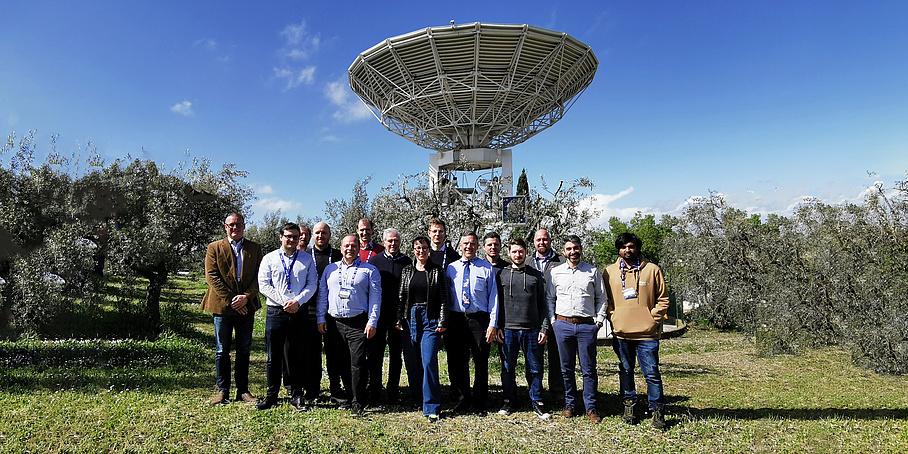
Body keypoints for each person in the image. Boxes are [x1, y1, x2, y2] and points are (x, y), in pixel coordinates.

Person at [605, 232, 670, 430]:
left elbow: (663, 299)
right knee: (626, 370)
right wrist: (613, 317)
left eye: (631, 246)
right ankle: (629, 405)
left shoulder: (652, 270)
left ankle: (657, 410)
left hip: (647, 334)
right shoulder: (609, 272)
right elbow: (604, 299)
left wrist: (653, 319)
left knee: (651, 372)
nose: (628, 250)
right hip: (622, 333)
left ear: (637, 248)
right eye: (624, 247)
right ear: (619, 249)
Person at [200, 213, 264, 405]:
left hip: (247, 306)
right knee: (222, 350)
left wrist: (246, 297)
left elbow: (259, 276)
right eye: (231, 225)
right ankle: (223, 391)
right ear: (225, 227)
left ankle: (243, 391)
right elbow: (211, 276)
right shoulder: (214, 247)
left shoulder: (255, 248)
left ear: (244, 226)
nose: (234, 227)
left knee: (244, 350)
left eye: (238, 224)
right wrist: (232, 300)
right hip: (222, 307)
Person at [317, 234, 382, 414]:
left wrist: (372, 321)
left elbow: (375, 299)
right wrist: (320, 318)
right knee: (341, 362)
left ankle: (358, 402)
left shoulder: (370, 271)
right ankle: (348, 395)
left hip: (358, 322)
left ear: (357, 248)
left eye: (353, 246)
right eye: (346, 245)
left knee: (358, 362)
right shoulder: (330, 270)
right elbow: (323, 296)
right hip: (334, 322)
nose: (350, 249)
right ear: (341, 247)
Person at [545, 234, 607, 423]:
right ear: (563, 252)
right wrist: (553, 321)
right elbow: (549, 298)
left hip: (587, 326)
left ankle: (591, 407)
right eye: (569, 249)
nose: (573, 252)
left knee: (588, 369)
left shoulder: (592, 271)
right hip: (562, 325)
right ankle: (570, 404)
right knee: (566, 369)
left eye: (576, 248)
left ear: (581, 249)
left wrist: (599, 322)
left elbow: (602, 298)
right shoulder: (555, 272)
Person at [256, 223, 318, 411]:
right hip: (276, 311)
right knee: (273, 355)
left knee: (298, 355)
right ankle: (271, 395)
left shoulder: (307, 259)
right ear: (280, 237)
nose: (291, 239)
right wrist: (285, 301)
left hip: (299, 312)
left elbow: (312, 283)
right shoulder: (269, 258)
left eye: (295, 236)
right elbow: (263, 285)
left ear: (300, 238)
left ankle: (297, 395)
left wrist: (297, 301)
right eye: (288, 236)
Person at [495, 238, 551, 419]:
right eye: (514, 252)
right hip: (508, 329)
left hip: (532, 330)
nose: (517, 255)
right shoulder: (501, 275)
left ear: (526, 252)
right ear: (509, 253)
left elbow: (543, 305)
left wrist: (544, 328)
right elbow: (496, 305)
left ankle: (537, 401)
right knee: (507, 367)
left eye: (520, 251)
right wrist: (497, 327)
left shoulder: (536, 275)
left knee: (534, 368)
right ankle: (508, 399)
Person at [444, 232, 499, 414]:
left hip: (479, 319)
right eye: (465, 243)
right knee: (459, 361)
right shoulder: (451, 268)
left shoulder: (486, 268)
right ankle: (463, 399)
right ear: (460, 245)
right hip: (457, 318)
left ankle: (479, 402)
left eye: (472, 244)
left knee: (480, 361)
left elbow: (494, 298)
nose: (469, 247)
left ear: (477, 246)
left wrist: (493, 324)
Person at [397, 236, 450, 422]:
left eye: (425, 248)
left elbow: (444, 298)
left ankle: (432, 406)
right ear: (413, 250)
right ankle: (417, 399)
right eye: (418, 248)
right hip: (410, 318)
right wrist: (398, 319)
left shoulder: (437, 271)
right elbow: (401, 297)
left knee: (428, 361)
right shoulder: (407, 271)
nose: (422, 251)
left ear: (429, 250)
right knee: (412, 362)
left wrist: (442, 321)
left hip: (430, 318)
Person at [366, 228, 412, 406]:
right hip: (378, 315)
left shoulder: (407, 262)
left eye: (396, 241)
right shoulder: (374, 261)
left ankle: (393, 391)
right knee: (375, 354)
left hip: (399, 317)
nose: (393, 244)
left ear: (400, 242)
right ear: (383, 242)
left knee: (395, 355)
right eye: (390, 241)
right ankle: (374, 392)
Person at [307, 222, 348, 404]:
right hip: (309, 311)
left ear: (330, 235)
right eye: (317, 232)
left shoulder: (339, 256)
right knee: (312, 353)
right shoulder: (306, 256)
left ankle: (335, 390)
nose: (320, 236)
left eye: (324, 233)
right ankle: (313, 390)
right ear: (312, 235)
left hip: (333, 312)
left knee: (334, 353)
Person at [530, 228, 564, 404]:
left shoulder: (562, 261)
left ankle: (557, 393)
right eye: (538, 240)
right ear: (534, 242)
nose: (541, 243)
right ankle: (536, 393)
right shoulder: (527, 261)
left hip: (557, 314)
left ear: (550, 241)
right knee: (535, 357)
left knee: (556, 357)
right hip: (534, 316)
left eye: (545, 240)